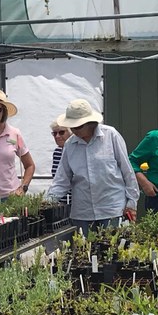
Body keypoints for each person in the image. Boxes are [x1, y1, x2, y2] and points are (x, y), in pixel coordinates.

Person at [47, 99, 139, 236]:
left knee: (113, 252)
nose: (73, 130)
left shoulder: (111, 135)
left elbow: (127, 171)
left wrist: (131, 203)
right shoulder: (70, 145)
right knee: (84, 253)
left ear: (89, 124)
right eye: (71, 127)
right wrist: (47, 202)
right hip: (82, 213)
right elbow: (62, 180)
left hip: (112, 208)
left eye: (77, 127)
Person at [50, 120, 71, 203]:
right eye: (54, 133)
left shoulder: (77, 152)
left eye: (61, 132)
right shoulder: (57, 152)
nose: (57, 136)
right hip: (59, 201)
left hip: (76, 203)